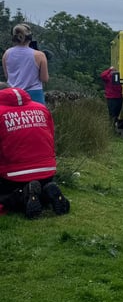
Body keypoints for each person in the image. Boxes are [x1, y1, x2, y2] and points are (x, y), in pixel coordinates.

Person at [0, 83, 70, 218]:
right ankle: (46, 193)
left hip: (13, 176)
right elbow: (50, 136)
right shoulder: (41, 109)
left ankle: (23, 195)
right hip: (47, 172)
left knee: (6, 196)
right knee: (38, 186)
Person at [2, 23, 49, 105]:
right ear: (30, 37)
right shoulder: (39, 55)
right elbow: (44, 78)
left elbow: (8, 76)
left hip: (13, 94)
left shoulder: (7, 54)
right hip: (34, 94)